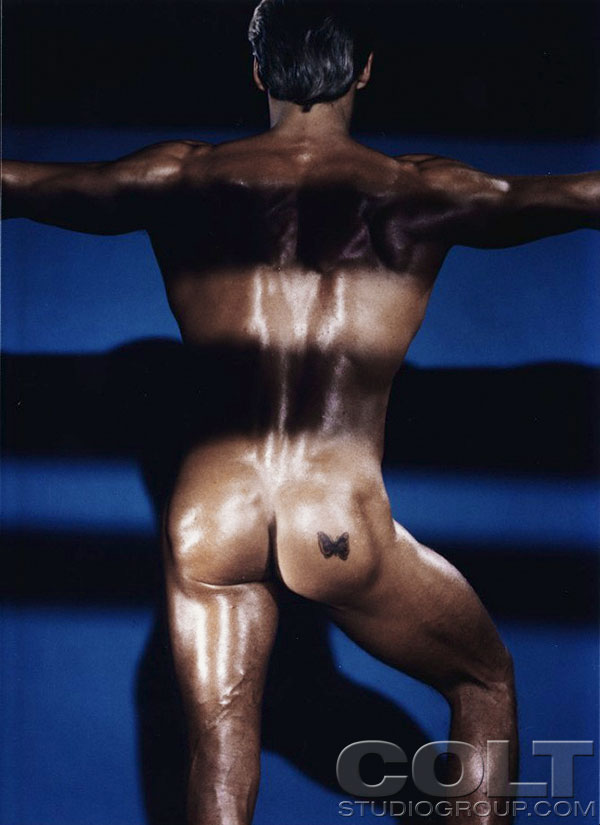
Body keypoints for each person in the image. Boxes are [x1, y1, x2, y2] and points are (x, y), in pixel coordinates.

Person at [3, 1, 598, 822]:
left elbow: (20, 184)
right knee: (482, 678)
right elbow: (579, 195)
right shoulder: (418, 194)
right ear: (365, 70)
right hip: (333, 513)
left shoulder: (180, 179)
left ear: (259, 72)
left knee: (218, 755)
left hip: (210, 516)